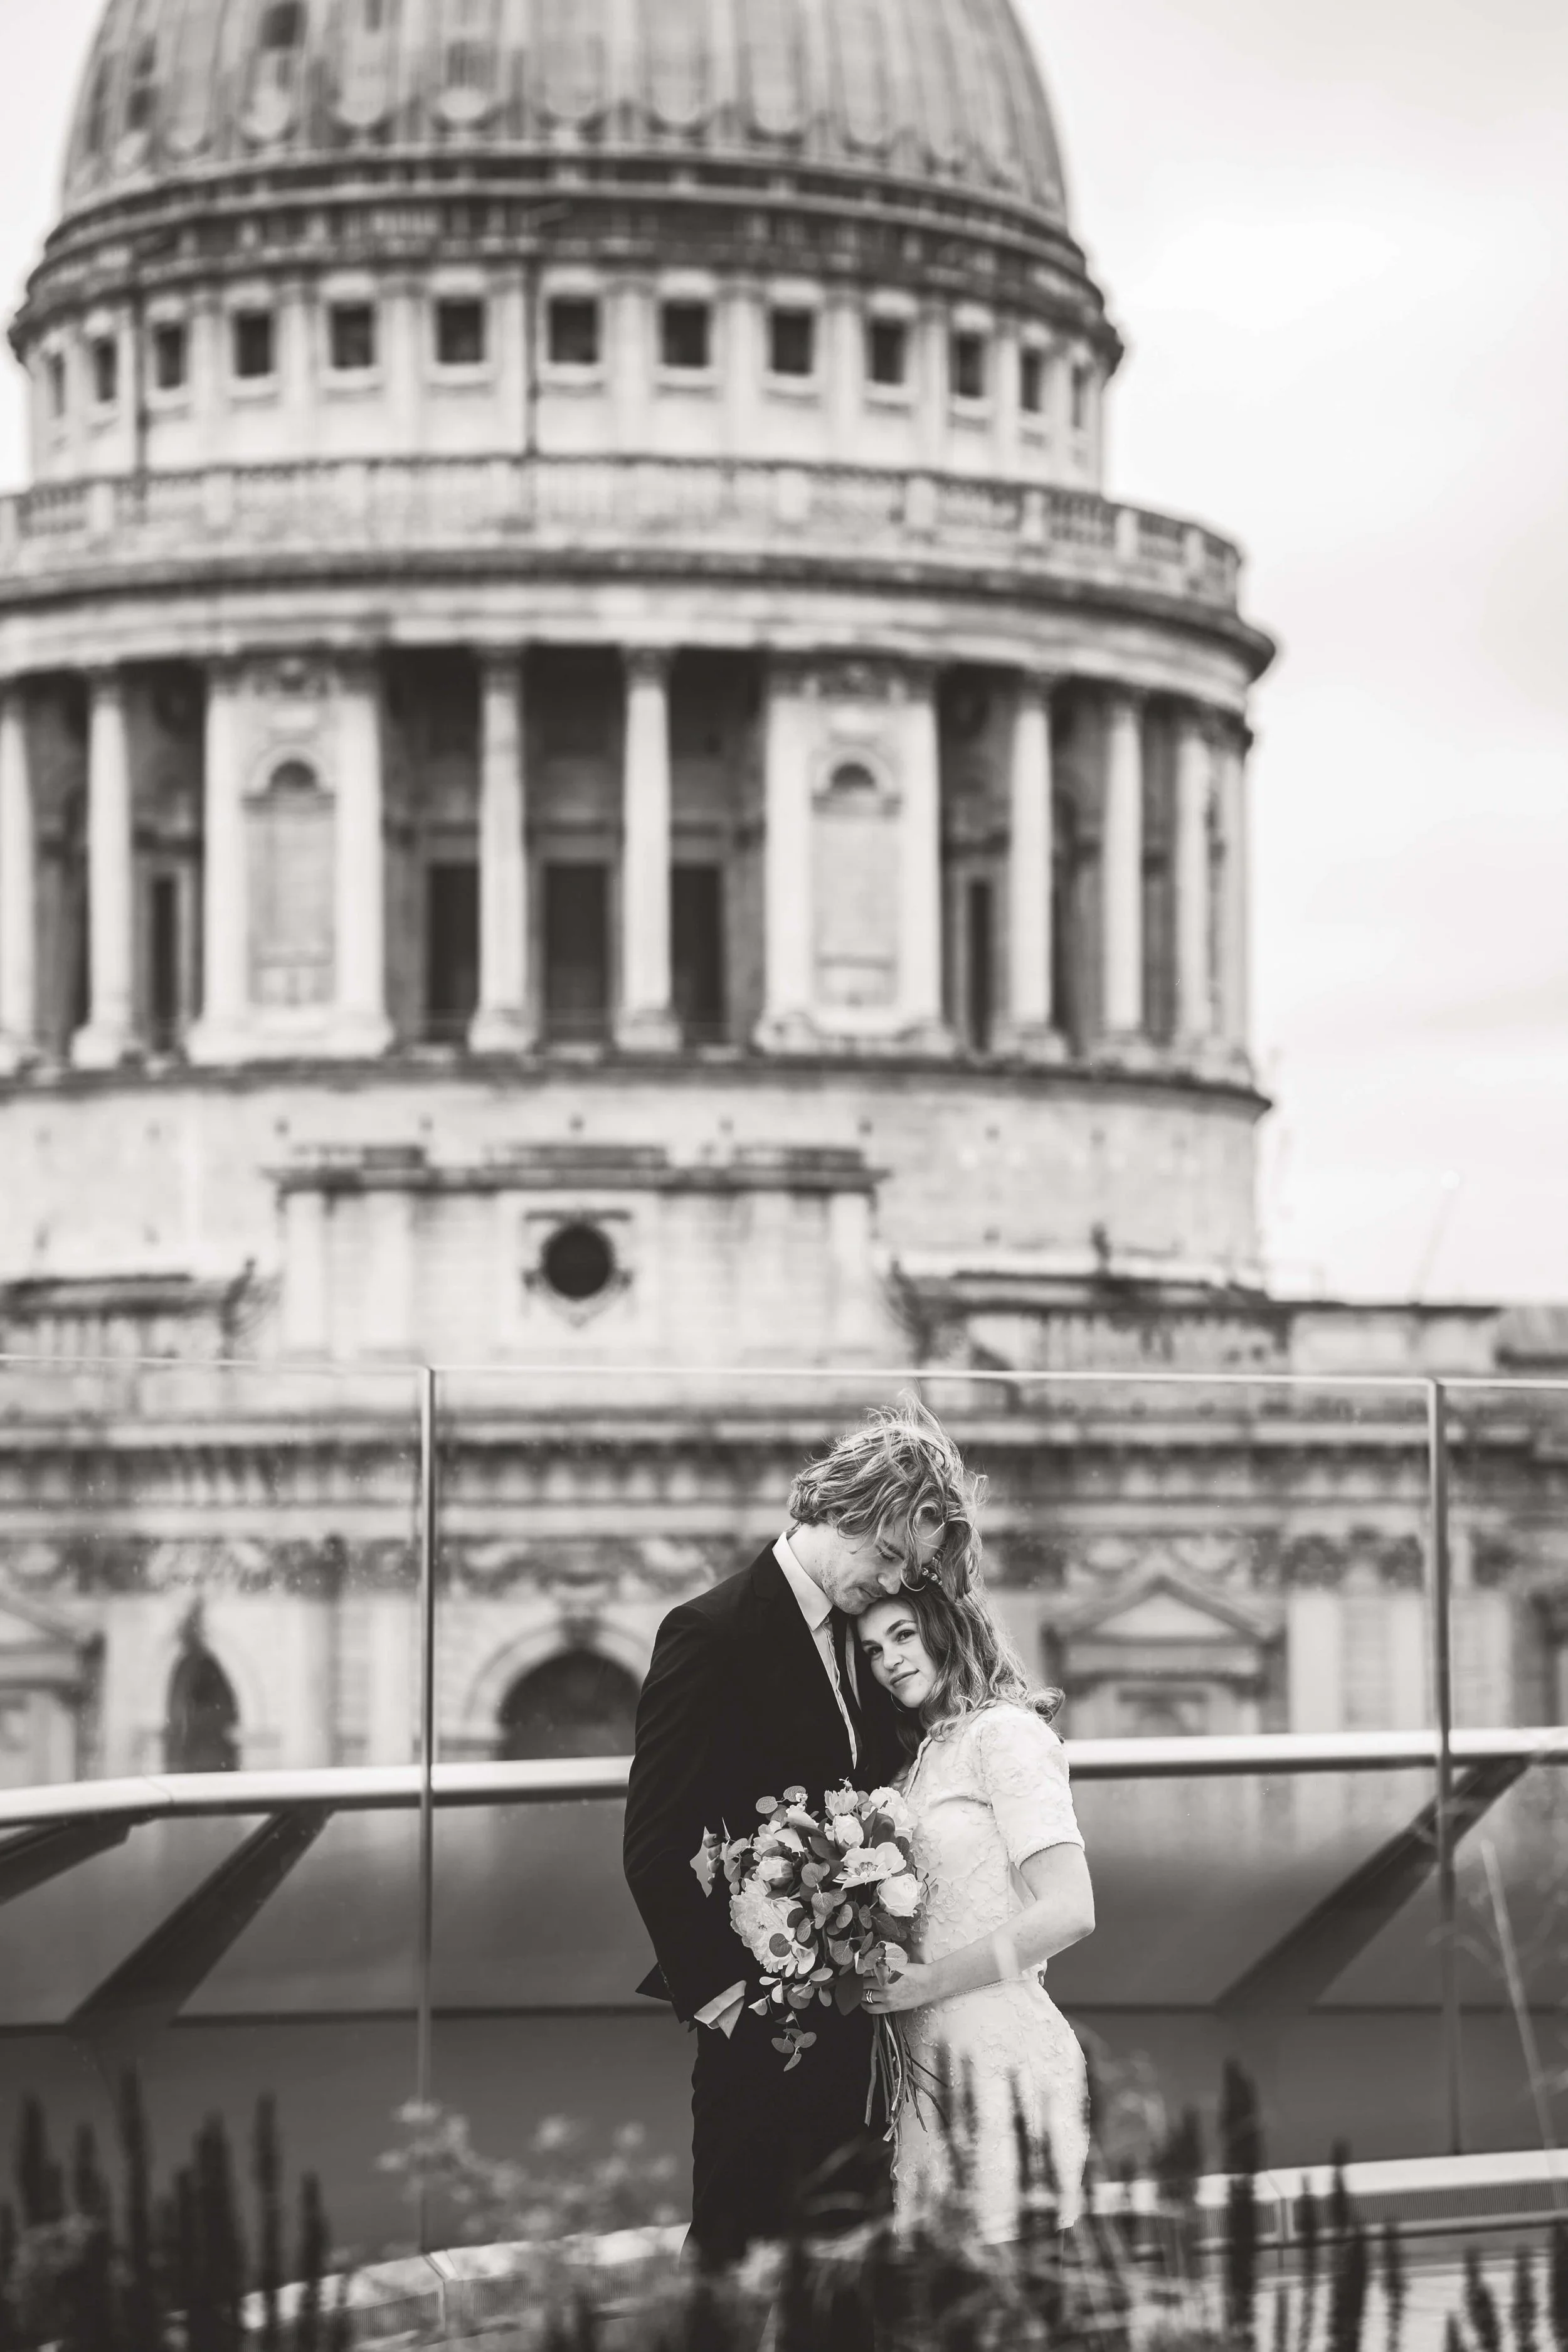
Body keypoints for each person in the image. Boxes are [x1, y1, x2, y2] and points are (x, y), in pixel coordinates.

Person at [623, 1397, 982, 2268]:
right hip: (756, 2029)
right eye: (890, 1554)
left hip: (861, 2030)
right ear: (834, 1509)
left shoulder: (866, 1642)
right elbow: (654, 1842)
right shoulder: (708, 1632)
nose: (896, 1582)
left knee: (849, 2275)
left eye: (913, 1571)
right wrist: (727, 2004)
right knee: (731, 2273)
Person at [857, 1545, 1095, 2242]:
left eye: (903, 1635)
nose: (889, 1659)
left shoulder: (1007, 1734)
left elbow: (1070, 1911)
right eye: (872, 1650)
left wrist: (926, 1981)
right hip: (924, 2070)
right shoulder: (919, 1760)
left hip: (999, 2057)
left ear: (947, 1628)